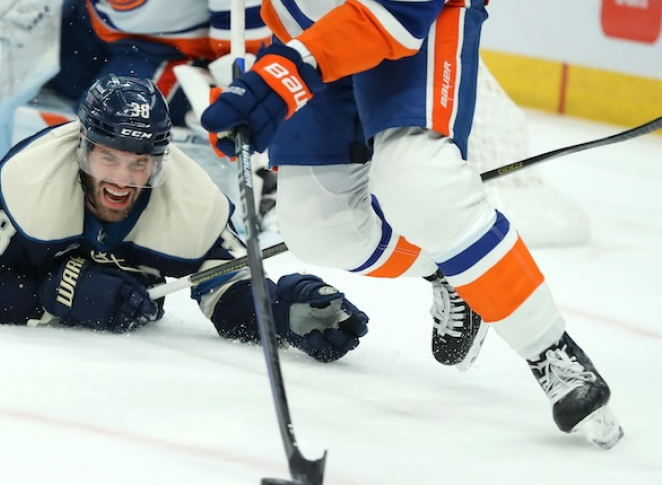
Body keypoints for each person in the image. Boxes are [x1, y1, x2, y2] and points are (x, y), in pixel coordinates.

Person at [200, 1, 624, 448]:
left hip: (409, 18)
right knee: (321, 228)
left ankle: (552, 352)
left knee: (417, 180)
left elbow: (399, 11)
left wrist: (288, 72)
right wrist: (242, 83)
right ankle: (452, 271)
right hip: (305, 31)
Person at [0, 74, 369, 363]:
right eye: (109, 157)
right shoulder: (27, 183)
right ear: (83, 148)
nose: (124, 178)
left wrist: (281, 310)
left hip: (38, 247)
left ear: (161, 159)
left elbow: (222, 290)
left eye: (139, 162)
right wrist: (58, 296)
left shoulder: (195, 204)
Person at [0, 0, 281, 231]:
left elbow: (239, 54)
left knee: (111, 115)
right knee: (17, 43)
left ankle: (264, 182)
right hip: (94, 28)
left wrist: (228, 100)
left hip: (168, 52)